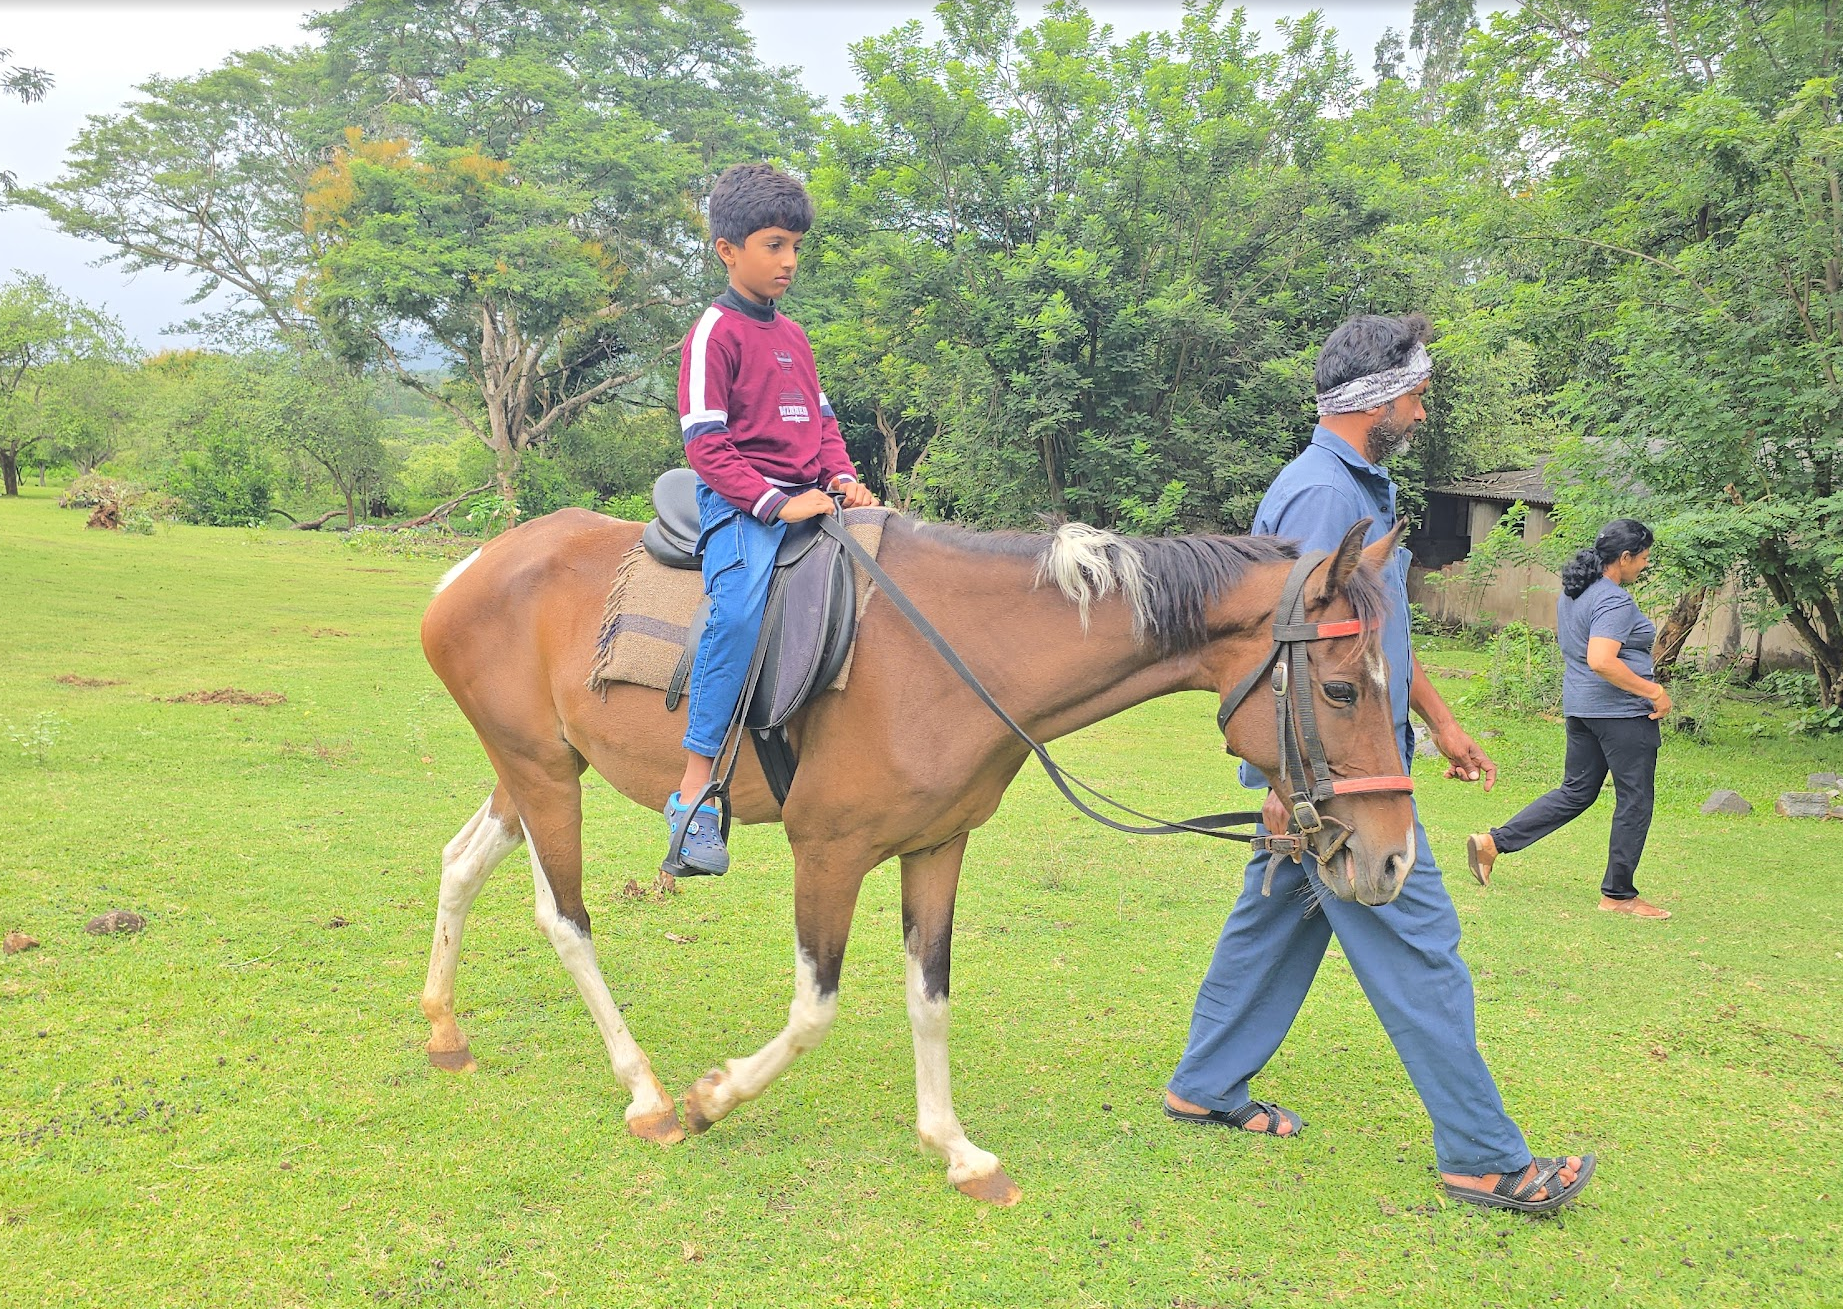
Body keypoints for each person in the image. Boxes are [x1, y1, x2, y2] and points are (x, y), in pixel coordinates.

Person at [1162, 313, 1595, 1215]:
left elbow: (1370, 642)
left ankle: (1203, 1084)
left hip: (1352, 764)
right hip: (1337, 782)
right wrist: (1288, 789)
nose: (1422, 409)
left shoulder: (1360, 487)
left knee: (1271, 925)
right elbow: (1293, 664)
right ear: (1373, 400)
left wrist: (1437, 719)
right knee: (1421, 948)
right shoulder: (1324, 500)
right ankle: (1483, 1158)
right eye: (1413, 393)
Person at [668, 163, 877, 875]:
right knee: (736, 614)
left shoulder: (794, 336)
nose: (788, 261)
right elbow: (705, 445)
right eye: (773, 244)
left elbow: (820, 426)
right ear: (727, 249)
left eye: (794, 247)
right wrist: (774, 502)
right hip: (741, 506)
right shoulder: (713, 333)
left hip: (813, 498)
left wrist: (842, 476)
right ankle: (693, 792)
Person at [1466, 520, 1671, 918]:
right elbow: (1601, 660)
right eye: (1643, 558)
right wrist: (1654, 691)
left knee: (1576, 791)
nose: (1645, 565)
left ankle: (1492, 843)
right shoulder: (1613, 600)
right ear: (1624, 558)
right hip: (1621, 715)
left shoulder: (1576, 593)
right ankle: (1618, 895)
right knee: (1635, 801)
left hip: (1581, 710)